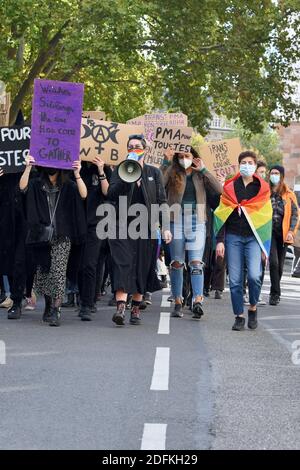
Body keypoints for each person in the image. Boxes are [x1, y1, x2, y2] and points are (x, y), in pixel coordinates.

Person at [107, 134, 172, 326]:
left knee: (141, 266)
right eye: (130, 146)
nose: (134, 149)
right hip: (121, 226)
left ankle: (135, 307)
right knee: (122, 264)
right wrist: (128, 178)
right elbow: (111, 193)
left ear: (144, 149)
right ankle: (120, 307)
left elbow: (162, 201)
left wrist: (166, 227)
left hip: (146, 227)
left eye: (137, 146)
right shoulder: (120, 170)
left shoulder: (154, 172)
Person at [19, 155, 87, 326]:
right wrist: (28, 167)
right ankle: (49, 305)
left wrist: (77, 174)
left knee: (58, 272)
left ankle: (56, 309)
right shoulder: (36, 184)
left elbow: (84, 194)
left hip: (62, 236)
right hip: (41, 236)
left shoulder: (68, 186)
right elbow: (22, 187)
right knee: (44, 274)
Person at [161, 147, 222, 318]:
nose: (184, 159)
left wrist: (204, 169)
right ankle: (178, 301)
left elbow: (219, 190)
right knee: (177, 263)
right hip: (176, 219)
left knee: (196, 262)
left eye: (187, 156)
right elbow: (159, 185)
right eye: (180, 157)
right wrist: (166, 162)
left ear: (194, 157)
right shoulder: (172, 170)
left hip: (197, 219)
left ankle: (197, 300)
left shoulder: (200, 173)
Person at [215, 151, 273, 331]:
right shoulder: (230, 186)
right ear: (239, 165)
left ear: (255, 166)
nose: (246, 165)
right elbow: (221, 213)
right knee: (234, 280)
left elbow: (266, 218)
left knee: (255, 276)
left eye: (250, 162)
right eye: (243, 162)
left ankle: (253, 307)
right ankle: (239, 315)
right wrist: (220, 240)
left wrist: (265, 248)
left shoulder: (262, 188)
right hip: (233, 236)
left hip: (254, 239)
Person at [78, 158, 111, 320]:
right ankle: (83, 298)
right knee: (79, 264)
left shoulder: (105, 168)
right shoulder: (78, 166)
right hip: (77, 221)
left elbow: (107, 192)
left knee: (91, 264)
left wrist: (101, 170)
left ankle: (87, 303)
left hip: (97, 222)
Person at [268, 165, 299, 305]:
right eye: (272, 173)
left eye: (276, 173)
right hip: (269, 233)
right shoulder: (265, 192)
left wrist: (292, 232)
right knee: (273, 263)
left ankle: (275, 290)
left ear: (282, 176)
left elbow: (295, 214)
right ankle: (275, 293)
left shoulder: (289, 194)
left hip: (284, 233)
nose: (274, 175)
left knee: (280, 265)